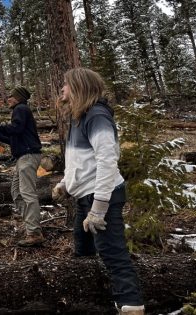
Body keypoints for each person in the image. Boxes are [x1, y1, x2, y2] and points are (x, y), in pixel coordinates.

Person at [52, 67, 144, 315]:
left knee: (112, 252)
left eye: (66, 84)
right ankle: (91, 295)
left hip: (101, 196)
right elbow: (80, 161)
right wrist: (64, 184)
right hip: (85, 196)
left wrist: (99, 208)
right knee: (83, 249)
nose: (62, 89)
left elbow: (107, 161)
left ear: (80, 87)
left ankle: (131, 305)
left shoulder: (97, 116)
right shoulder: (79, 116)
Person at [0, 87, 43, 246]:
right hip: (23, 157)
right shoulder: (21, 110)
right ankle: (31, 225)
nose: (8, 98)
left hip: (28, 156)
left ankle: (34, 233)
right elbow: (13, 138)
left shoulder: (21, 109)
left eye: (11, 96)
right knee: (16, 192)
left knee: (27, 194)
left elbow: (16, 129)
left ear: (19, 98)